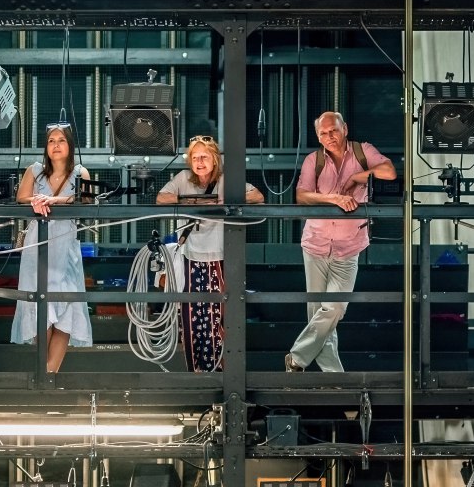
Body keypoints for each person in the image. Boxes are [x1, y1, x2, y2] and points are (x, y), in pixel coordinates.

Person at [286, 111, 394, 372]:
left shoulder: (362, 151)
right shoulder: (314, 160)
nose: (329, 136)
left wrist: (361, 176)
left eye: (333, 130)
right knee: (319, 316)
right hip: (316, 243)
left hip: (349, 246)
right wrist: (333, 199)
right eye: (323, 133)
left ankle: (297, 358)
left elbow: (389, 171)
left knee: (333, 308)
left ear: (344, 128)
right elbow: (302, 196)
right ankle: (335, 380)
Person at [157, 135, 264, 371]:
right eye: (195, 157)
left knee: (218, 320)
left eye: (204, 156)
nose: (199, 161)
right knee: (193, 321)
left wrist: (222, 200)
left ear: (215, 159)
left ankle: (223, 375)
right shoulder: (184, 179)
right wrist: (193, 201)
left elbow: (257, 196)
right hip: (191, 257)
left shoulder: (227, 180)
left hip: (221, 258)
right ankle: (198, 376)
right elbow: (161, 198)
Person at [12, 123, 92, 372]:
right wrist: (37, 200)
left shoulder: (80, 172)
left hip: (66, 246)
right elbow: (21, 197)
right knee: (39, 307)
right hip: (37, 245)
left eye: (61, 140)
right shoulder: (34, 171)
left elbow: (86, 200)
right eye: (51, 141)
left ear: (70, 145)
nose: (56, 145)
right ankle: (42, 373)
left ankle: (49, 375)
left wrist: (54, 200)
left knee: (66, 308)